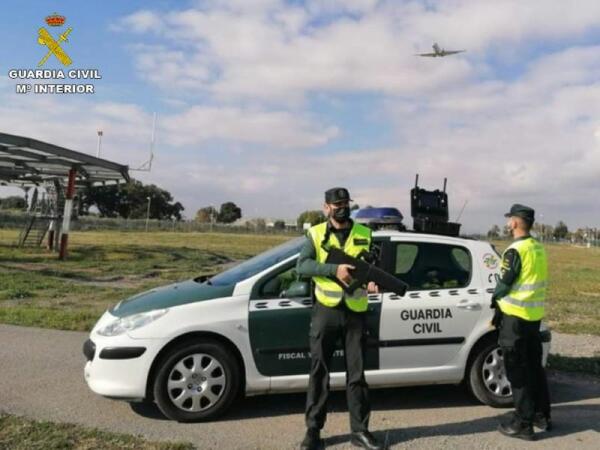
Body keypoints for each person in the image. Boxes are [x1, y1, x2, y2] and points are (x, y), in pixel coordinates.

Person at [298, 187, 382, 450]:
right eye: (337, 204)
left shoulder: (365, 234)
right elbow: (302, 266)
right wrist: (334, 269)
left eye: (345, 203)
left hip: (356, 312)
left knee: (356, 375)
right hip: (326, 310)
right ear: (326, 208)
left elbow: (374, 267)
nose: (342, 208)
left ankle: (360, 431)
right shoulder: (315, 234)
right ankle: (313, 431)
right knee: (319, 372)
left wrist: (373, 281)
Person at [491, 204, 551, 441]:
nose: (508, 224)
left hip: (515, 319)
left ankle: (523, 423)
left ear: (515, 222)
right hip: (533, 319)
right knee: (535, 369)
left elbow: (505, 283)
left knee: (517, 372)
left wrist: (494, 296)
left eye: (509, 220)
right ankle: (541, 416)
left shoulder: (515, 250)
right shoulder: (538, 247)